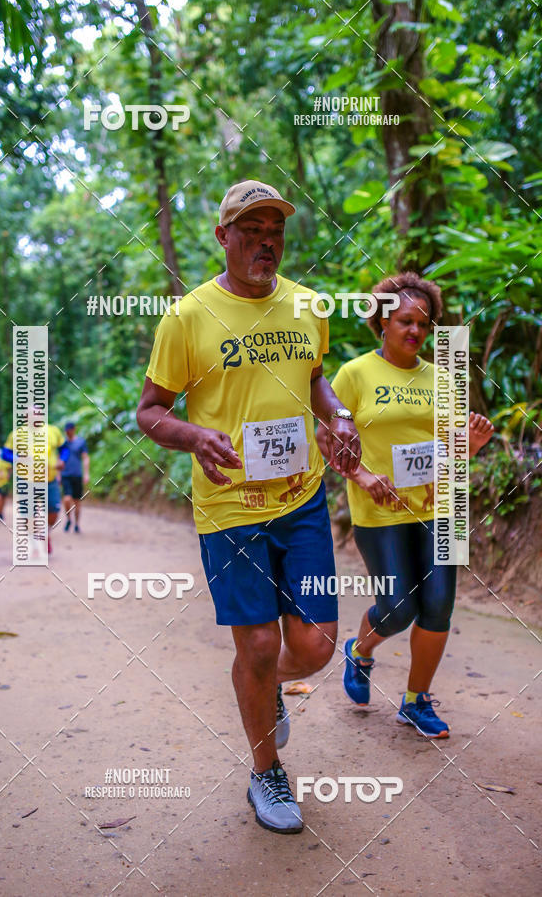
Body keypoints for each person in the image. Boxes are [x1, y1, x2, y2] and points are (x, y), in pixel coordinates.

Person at [137, 179, 361, 834]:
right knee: (261, 642)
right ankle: (266, 773)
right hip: (231, 506)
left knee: (316, 647)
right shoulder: (188, 318)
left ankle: (259, 687)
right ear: (223, 237)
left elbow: (317, 380)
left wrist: (341, 418)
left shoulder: (308, 305)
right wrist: (193, 435)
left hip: (302, 499)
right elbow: (150, 412)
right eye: (253, 231)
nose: (267, 242)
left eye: (277, 233)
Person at [317, 271, 494, 738]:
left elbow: (453, 445)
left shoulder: (443, 377)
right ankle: (360, 651)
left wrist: (472, 443)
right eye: (405, 321)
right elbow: (327, 438)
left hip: (443, 506)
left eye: (424, 323)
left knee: (438, 607)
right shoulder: (354, 374)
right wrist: (360, 473)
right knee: (397, 608)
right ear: (382, 322)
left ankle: (415, 701)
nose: (415, 331)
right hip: (380, 510)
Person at [3, 414, 67, 555]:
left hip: (48, 479)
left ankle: (46, 532)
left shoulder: (53, 431)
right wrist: (18, 458)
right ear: (26, 418)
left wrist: (62, 460)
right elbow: (5, 453)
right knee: (28, 515)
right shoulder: (17, 434)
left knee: (54, 511)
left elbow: (64, 448)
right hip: (26, 480)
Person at [61, 422, 89, 533]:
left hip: (77, 474)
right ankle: (68, 519)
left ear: (73, 430)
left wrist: (86, 473)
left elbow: (85, 457)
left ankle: (77, 524)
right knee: (67, 499)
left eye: (69, 431)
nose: (68, 433)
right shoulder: (63, 443)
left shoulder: (81, 442)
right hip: (65, 474)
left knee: (77, 501)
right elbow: (59, 458)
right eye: (66, 431)